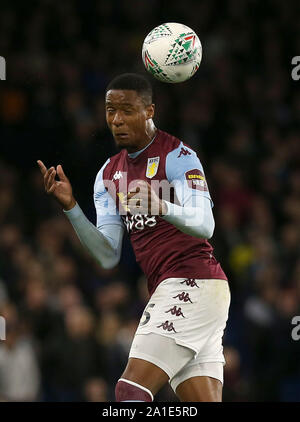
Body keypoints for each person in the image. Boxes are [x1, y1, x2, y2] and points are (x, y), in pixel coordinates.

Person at [37, 73, 230, 402]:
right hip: (181, 289)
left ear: (150, 111)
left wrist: (161, 205)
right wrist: (71, 207)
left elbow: (205, 224)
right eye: (110, 110)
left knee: (129, 391)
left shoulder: (179, 157)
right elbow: (108, 255)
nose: (116, 120)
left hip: (192, 282)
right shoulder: (107, 175)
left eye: (126, 111)